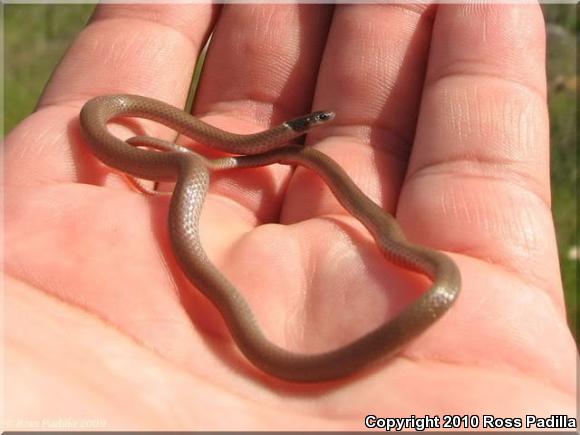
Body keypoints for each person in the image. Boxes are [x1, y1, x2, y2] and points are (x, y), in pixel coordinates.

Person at [4, 3, 576, 430]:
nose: (316, 124)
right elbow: (224, 150)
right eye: (311, 122)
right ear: (294, 129)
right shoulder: (194, 158)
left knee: (210, 170)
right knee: (197, 170)